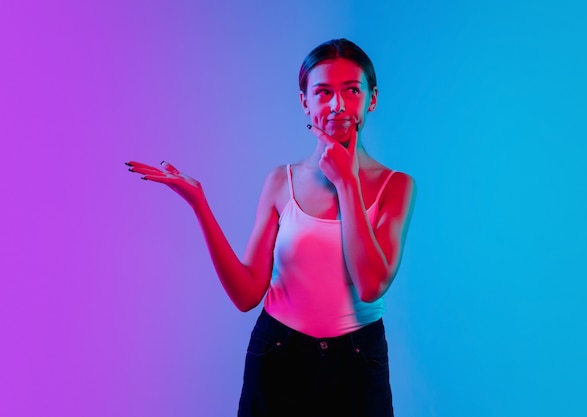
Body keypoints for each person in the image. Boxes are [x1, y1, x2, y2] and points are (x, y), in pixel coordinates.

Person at [126, 38, 416, 417]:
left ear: (371, 98)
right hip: (279, 354)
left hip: (358, 362)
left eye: (351, 90)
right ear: (305, 102)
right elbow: (247, 294)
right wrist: (199, 202)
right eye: (324, 92)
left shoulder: (396, 186)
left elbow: (371, 284)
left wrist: (347, 183)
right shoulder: (282, 182)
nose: (338, 105)